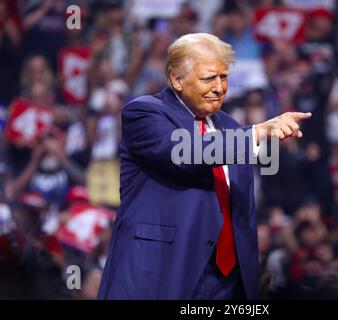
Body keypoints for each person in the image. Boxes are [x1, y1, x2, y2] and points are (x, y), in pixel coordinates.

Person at [98, 33, 311, 300]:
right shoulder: (144, 113)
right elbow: (183, 153)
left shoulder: (231, 127)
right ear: (177, 79)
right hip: (164, 271)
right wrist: (256, 133)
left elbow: (242, 209)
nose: (219, 87)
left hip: (229, 282)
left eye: (223, 77)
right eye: (208, 78)